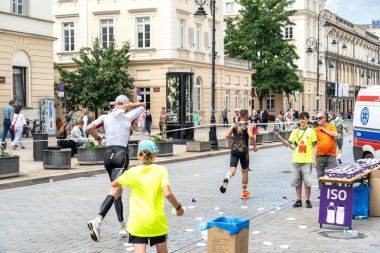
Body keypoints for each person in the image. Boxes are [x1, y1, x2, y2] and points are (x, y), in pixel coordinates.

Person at [87, 140, 184, 247]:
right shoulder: (161, 170)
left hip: (137, 223)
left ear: (139, 155)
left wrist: (124, 179)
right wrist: (178, 208)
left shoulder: (132, 172)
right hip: (157, 222)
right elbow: (168, 194)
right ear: (155, 154)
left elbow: (114, 184)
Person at [86, 95, 145, 236]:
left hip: (108, 156)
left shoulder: (105, 117)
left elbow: (89, 127)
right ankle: (98, 220)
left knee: (118, 191)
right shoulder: (128, 116)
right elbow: (143, 106)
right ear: (126, 105)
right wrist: (130, 106)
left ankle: (122, 225)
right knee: (114, 190)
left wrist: (98, 138)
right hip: (120, 155)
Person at [275, 112, 317, 208]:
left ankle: (307, 200)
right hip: (296, 160)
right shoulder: (295, 132)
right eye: (300, 119)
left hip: (307, 161)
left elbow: (315, 147)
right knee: (297, 182)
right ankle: (298, 200)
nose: (302, 120)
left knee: (307, 182)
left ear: (307, 120)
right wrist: (280, 137)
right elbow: (289, 145)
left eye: (304, 118)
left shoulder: (311, 132)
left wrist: (314, 159)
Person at [220, 109, 257, 199]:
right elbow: (251, 136)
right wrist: (254, 145)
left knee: (232, 169)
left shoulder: (234, 125)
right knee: (244, 172)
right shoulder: (249, 126)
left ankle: (227, 177)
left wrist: (235, 138)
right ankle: (244, 192)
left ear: (240, 116)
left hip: (234, 149)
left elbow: (227, 135)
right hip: (244, 150)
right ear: (246, 116)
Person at [314, 112, 338, 189]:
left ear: (325, 118)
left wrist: (324, 130)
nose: (318, 120)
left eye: (320, 118)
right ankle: (323, 193)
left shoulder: (331, 126)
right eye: (317, 118)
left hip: (331, 156)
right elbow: (314, 146)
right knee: (320, 176)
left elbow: (335, 134)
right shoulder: (315, 130)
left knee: (333, 175)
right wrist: (313, 159)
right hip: (320, 156)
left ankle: (334, 192)